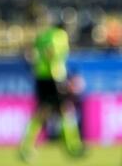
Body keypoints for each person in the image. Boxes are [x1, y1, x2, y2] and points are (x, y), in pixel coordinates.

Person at [18, 20, 85, 162]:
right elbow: (52, 53)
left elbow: (31, 52)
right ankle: (73, 146)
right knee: (66, 109)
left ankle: (26, 147)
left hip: (40, 77)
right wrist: (59, 77)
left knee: (42, 112)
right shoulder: (59, 35)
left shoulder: (43, 35)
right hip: (54, 77)